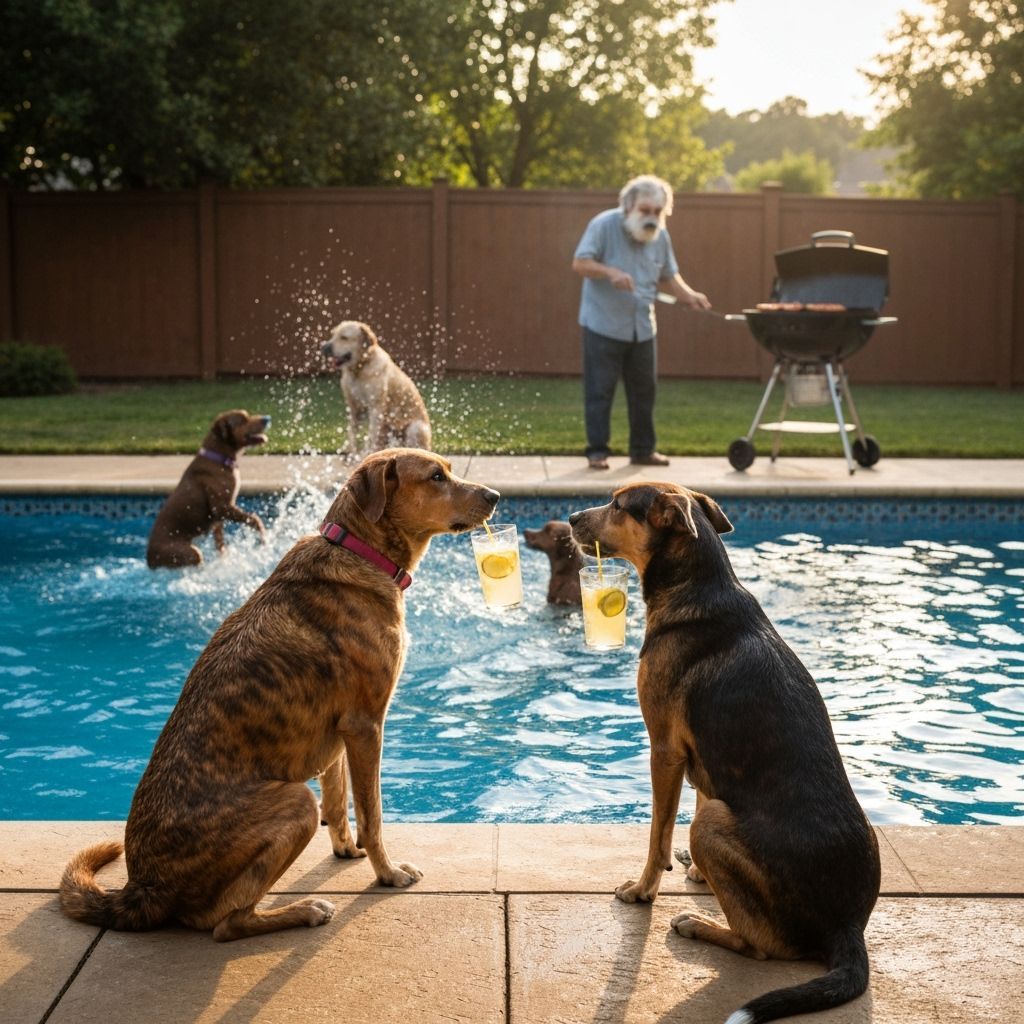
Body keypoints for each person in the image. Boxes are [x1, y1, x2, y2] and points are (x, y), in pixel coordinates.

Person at [571, 174, 711, 470]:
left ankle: (643, 451)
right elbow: (580, 262)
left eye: (658, 212)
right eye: (645, 211)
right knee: (600, 391)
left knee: (644, 391)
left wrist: (689, 296)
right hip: (602, 324)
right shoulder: (603, 225)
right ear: (628, 207)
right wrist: (611, 272)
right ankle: (597, 451)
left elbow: (670, 275)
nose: (651, 217)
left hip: (643, 328)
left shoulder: (660, 235)